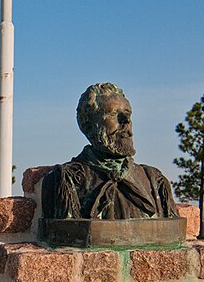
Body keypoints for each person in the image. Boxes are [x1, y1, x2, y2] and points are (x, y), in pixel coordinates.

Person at [41, 83, 179, 220]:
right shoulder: (67, 179)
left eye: (128, 114)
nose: (126, 121)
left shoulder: (154, 180)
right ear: (86, 125)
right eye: (114, 114)